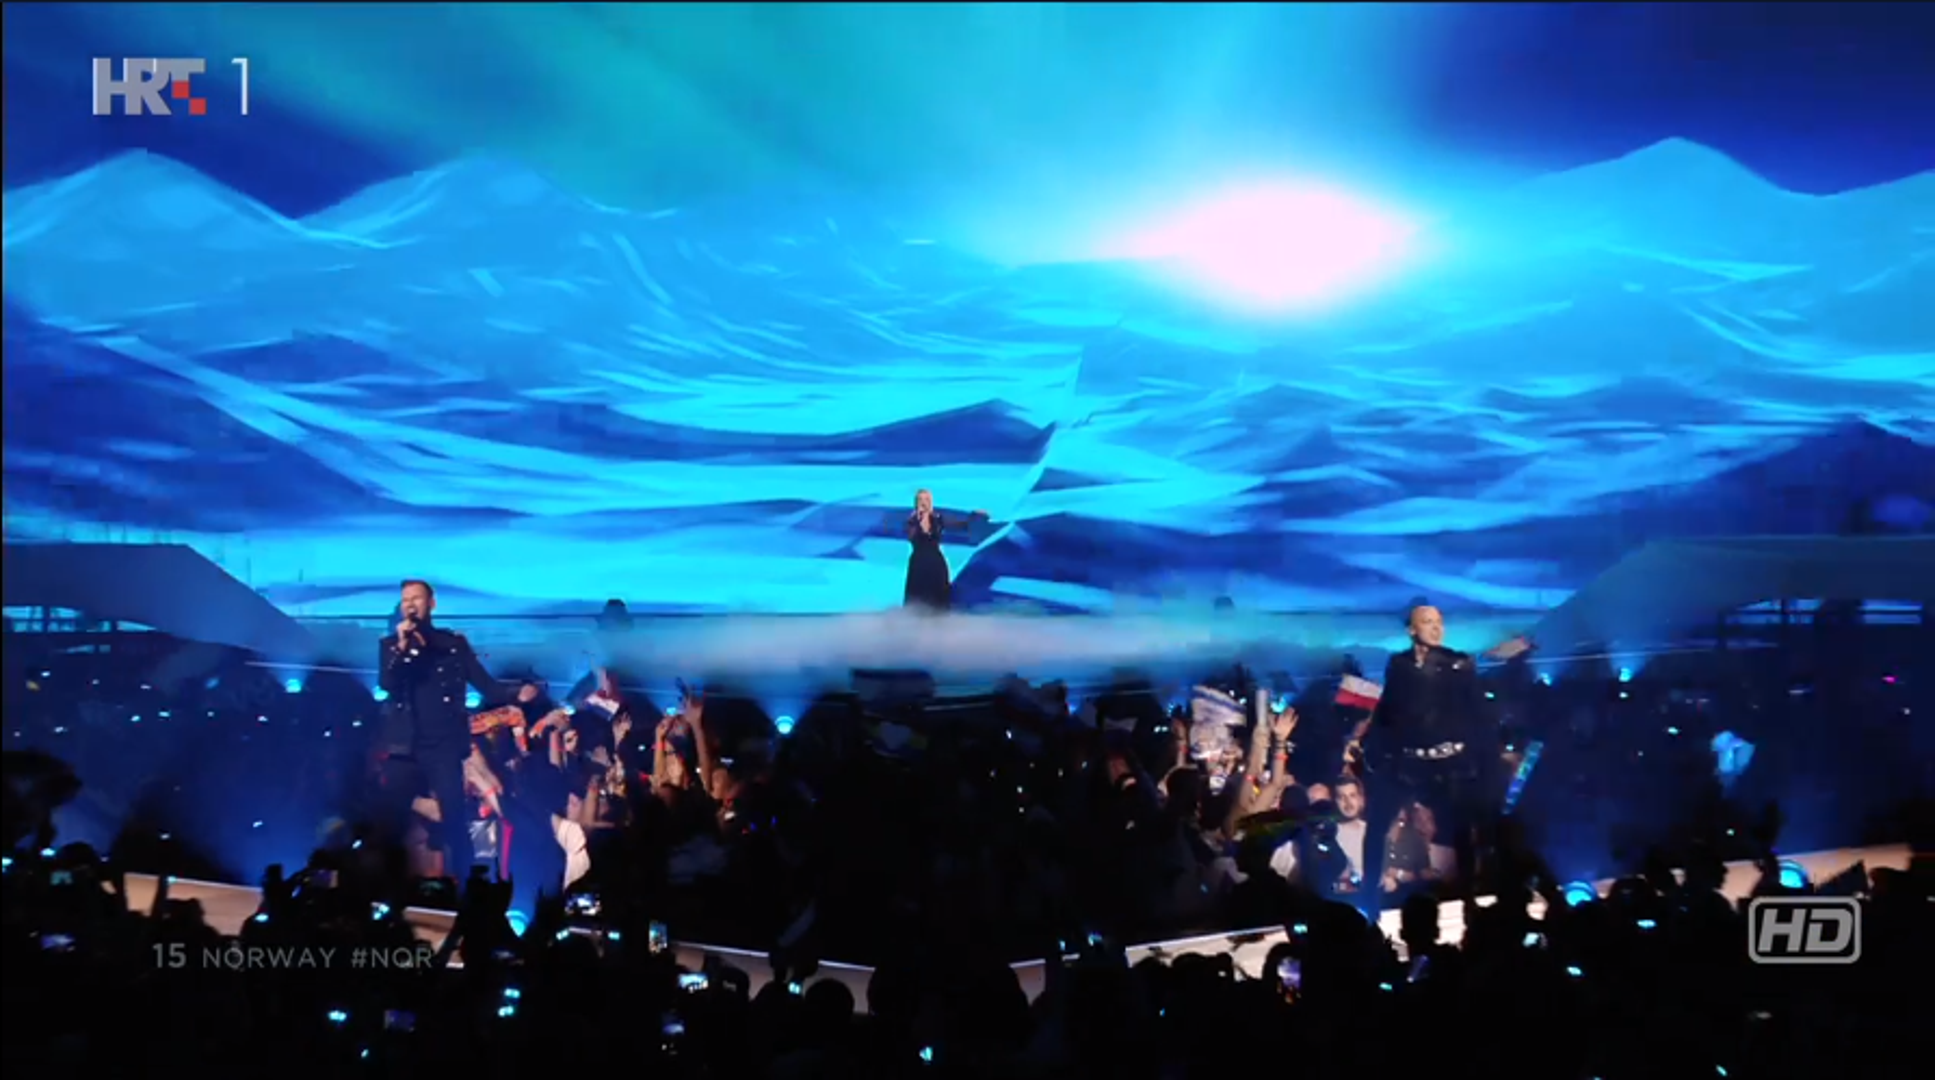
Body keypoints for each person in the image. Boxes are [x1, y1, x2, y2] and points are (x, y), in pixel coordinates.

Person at [1342, 602, 1527, 912]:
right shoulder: (1398, 665)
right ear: (1412, 630)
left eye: (1439, 621)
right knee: (1377, 826)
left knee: (1464, 828)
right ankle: (1369, 901)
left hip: (1449, 764)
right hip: (1410, 763)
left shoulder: (1457, 663)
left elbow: (1477, 711)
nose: (1436, 627)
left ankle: (1469, 900)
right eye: (1428, 622)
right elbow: (1389, 710)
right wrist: (1367, 743)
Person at [376, 579, 539, 879]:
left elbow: (487, 686)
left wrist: (517, 693)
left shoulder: (452, 646)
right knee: (390, 819)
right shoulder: (390, 646)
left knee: (454, 821)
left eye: (416, 598)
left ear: (431, 604)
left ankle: (465, 887)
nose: (410, 604)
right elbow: (387, 683)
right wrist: (402, 646)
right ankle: (385, 885)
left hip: (444, 747)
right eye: (405, 599)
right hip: (406, 747)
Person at [902, 489, 987, 611]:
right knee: (918, 597)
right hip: (919, 563)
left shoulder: (937, 518)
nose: (923, 502)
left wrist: (974, 516)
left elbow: (959, 525)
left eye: (926, 499)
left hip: (936, 562)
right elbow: (911, 536)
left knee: (939, 598)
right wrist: (919, 520)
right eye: (920, 499)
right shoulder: (911, 521)